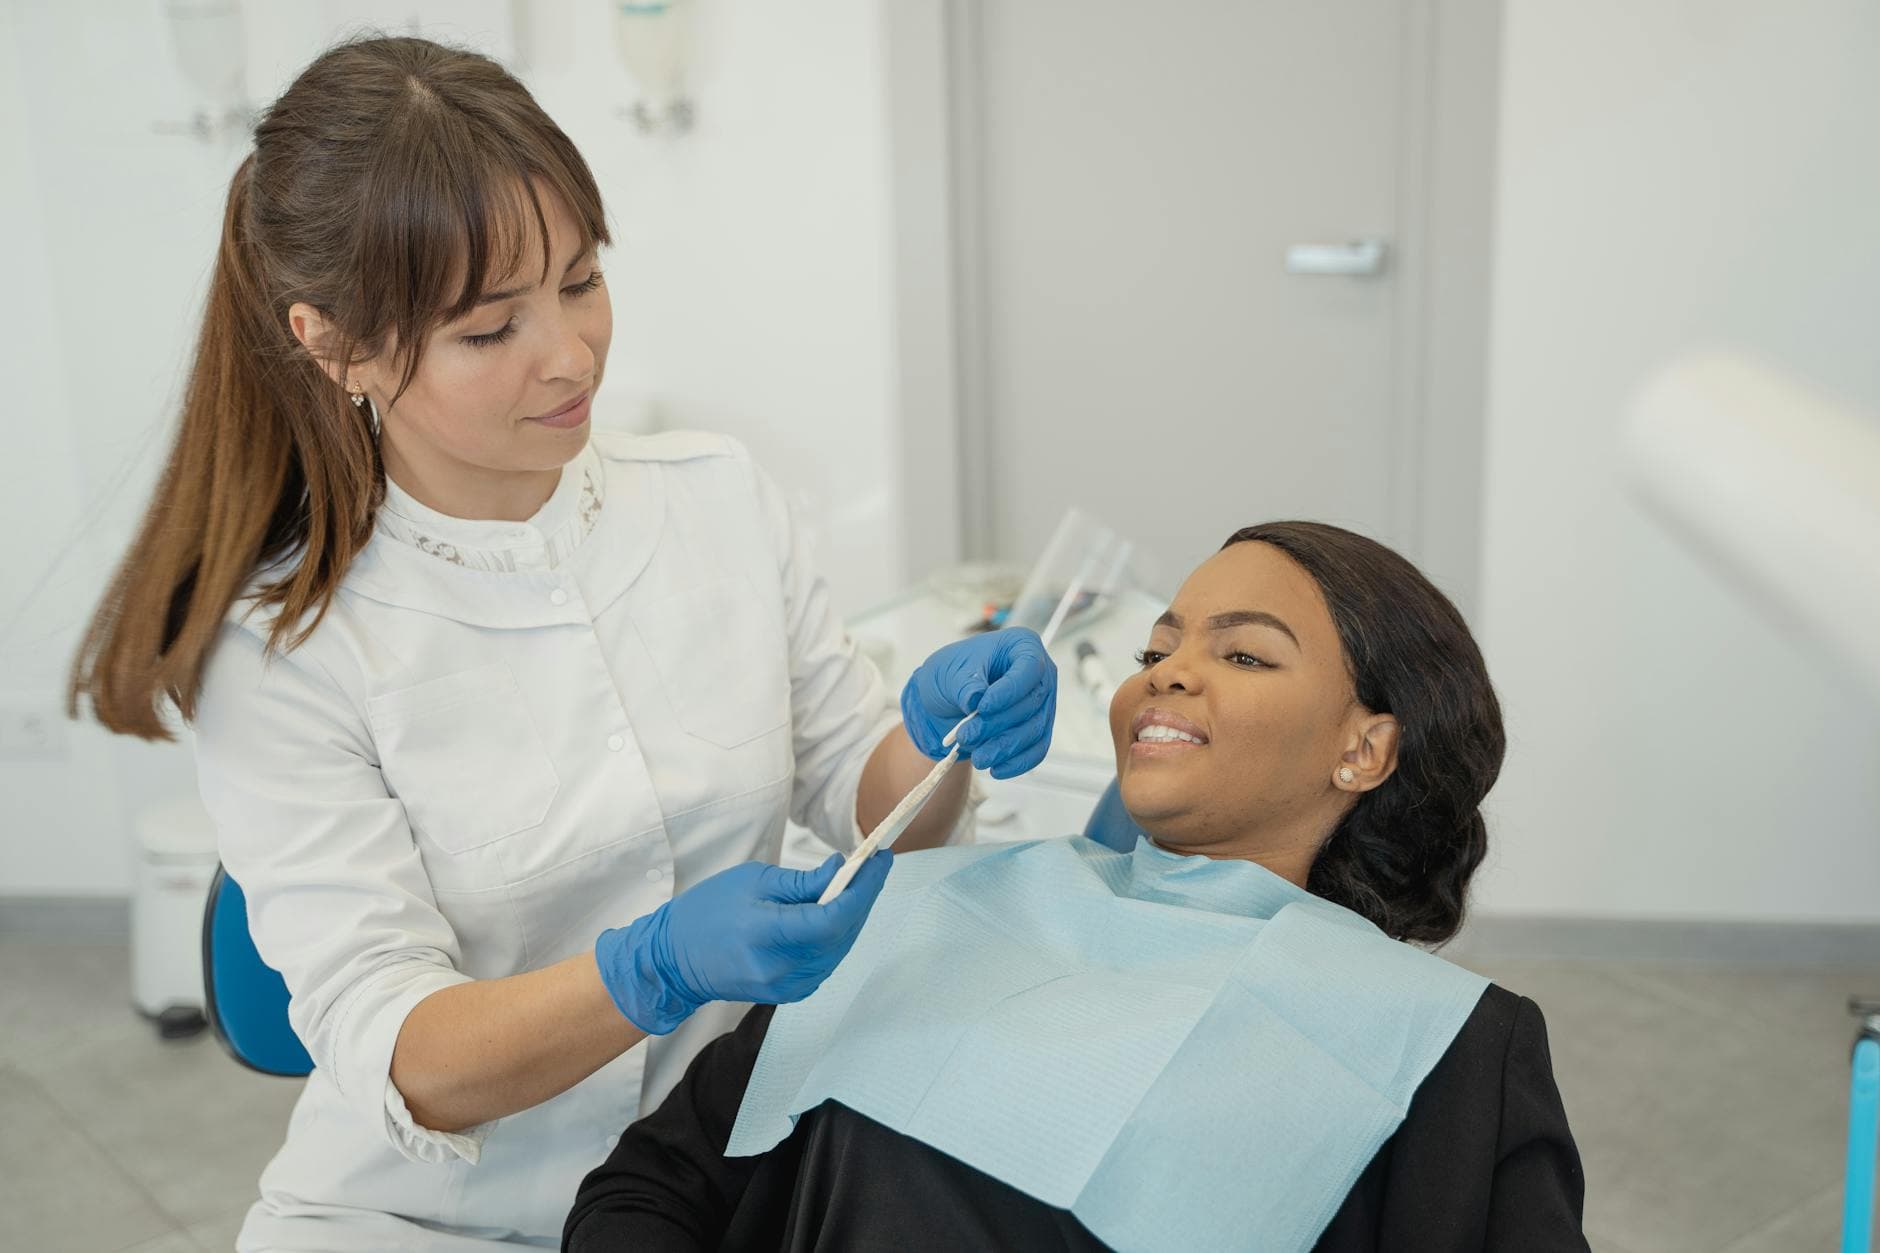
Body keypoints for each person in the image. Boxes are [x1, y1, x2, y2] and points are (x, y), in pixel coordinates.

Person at [66, 36, 1056, 1252]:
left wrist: (937, 737)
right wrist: (645, 969)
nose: (570, 353)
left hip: (718, 1174)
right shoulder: (288, 646)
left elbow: (868, 798)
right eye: (491, 329)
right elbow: (402, 1052)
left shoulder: (715, 496)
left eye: (581, 282)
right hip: (441, 1215)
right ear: (333, 344)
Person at [564, 522, 1589, 1252]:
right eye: (1155, 647)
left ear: (1363, 748)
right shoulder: (922, 905)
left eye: (1239, 652)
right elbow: (650, 1188)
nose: (1165, 673)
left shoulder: (1441, 1047)